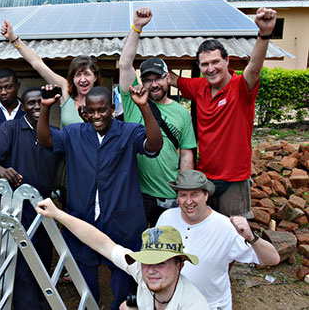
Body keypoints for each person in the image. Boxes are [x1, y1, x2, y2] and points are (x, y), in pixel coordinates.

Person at [37, 85, 163, 310]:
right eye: (92, 111)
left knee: (123, 276)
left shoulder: (128, 132)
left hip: (122, 220)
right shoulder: (74, 133)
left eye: (102, 110)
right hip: (83, 218)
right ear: (84, 111)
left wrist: (144, 106)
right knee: (84, 275)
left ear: (113, 109)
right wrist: (46, 108)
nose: (97, 116)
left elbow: (154, 144)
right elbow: (46, 140)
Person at [168, 8, 277, 218]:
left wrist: (264, 34)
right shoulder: (199, 86)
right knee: (207, 229)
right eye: (205, 64)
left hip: (235, 180)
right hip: (206, 179)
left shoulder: (241, 86)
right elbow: (173, 79)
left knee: (236, 233)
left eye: (215, 62)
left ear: (227, 61)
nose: (211, 68)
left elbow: (254, 67)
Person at [36, 198, 210, 310]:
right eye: (147, 261)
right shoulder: (143, 272)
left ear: (179, 266)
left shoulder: (193, 305)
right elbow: (102, 243)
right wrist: (57, 213)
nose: (151, 270)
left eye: (161, 263)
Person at [0, 87, 61, 310]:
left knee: (44, 257)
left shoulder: (55, 133)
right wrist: (1, 170)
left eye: (40, 102)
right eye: (31, 103)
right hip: (18, 208)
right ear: (23, 107)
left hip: (45, 208)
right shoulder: (11, 128)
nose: (36, 106)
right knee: (22, 264)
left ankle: (42, 302)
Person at [156, 169, 280, 310]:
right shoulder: (166, 217)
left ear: (206, 195)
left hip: (211, 305)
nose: (188, 201)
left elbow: (272, 259)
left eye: (194, 194)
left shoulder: (226, 226)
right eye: (183, 195)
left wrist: (251, 237)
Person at [118, 8, 196, 227]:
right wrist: (137, 28)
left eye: (158, 78)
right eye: (148, 79)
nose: (153, 84)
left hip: (169, 194)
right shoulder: (133, 101)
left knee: (167, 250)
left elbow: (187, 154)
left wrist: (185, 190)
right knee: (138, 246)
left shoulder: (181, 113)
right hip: (137, 193)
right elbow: (125, 64)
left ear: (167, 77)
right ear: (142, 82)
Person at [1, 20, 101, 127]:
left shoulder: (102, 99)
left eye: (87, 74)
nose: (82, 79)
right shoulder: (66, 92)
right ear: (72, 78)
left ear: (95, 77)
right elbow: (37, 63)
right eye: (78, 75)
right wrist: (13, 39)